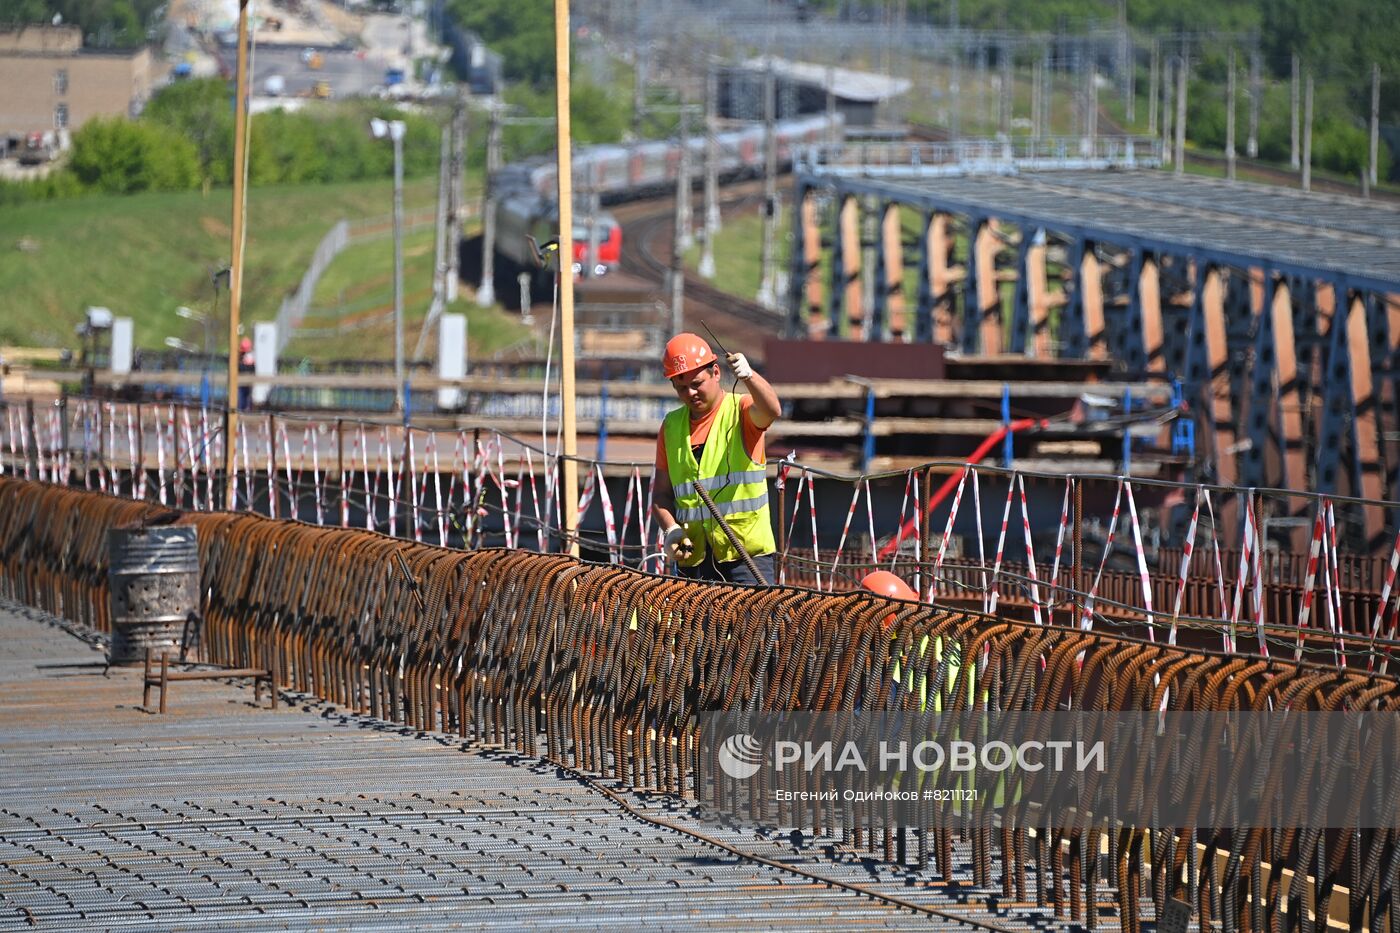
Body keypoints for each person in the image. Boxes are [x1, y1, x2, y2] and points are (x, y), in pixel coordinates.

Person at [652, 332, 781, 585]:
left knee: (752, 626)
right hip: (694, 558)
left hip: (746, 557)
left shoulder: (741, 411)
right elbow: (661, 495)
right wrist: (671, 529)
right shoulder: (671, 427)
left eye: (697, 383)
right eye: (681, 388)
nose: (690, 393)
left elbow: (772, 410)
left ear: (716, 373)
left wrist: (750, 376)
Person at [236, 337, 254, 411]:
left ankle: (246, 410)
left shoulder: (249, 357)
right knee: (241, 399)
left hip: (247, 383)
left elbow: (252, 369)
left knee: (247, 399)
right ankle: (241, 410)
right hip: (241, 383)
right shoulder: (240, 358)